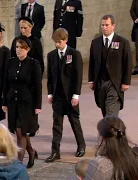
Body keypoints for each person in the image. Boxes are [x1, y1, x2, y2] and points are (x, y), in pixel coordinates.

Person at [46, 28, 86, 163]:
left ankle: (81, 145)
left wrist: (76, 95)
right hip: (57, 96)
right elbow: (50, 77)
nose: (57, 45)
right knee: (57, 124)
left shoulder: (74, 54)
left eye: (59, 42)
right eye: (55, 42)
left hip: (70, 96)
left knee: (74, 121)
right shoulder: (51, 55)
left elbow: (78, 77)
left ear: (66, 40)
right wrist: (50, 93)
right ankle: (55, 151)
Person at [3, 35, 42, 168]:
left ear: (28, 49)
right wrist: (4, 102)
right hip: (13, 101)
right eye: (17, 47)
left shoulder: (33, 64)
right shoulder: (10, 62)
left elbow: (38, 86)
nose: (18, 50)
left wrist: (38, 105)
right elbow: (5, 84)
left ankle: (18, 162)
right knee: (18, 131)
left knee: (21, 130)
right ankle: (31, 151)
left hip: (27, 103)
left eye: (21, 48)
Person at [88, 15, 132, 117]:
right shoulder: (95, 42)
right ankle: (110, 131)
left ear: (113, 26)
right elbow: (92, 62)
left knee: (111, 112)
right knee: (105, 111)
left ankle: (111, 131)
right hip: (100, 82)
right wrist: (91, 80)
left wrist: (126, 82)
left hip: (115, 83)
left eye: (107, 25)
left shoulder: (122, 42)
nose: (104, 27)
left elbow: (127, 63)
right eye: (102, 25)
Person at [130, 0, 138, 75]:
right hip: (137, 27)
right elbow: (132, 10)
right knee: (137, 47)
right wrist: (135, 19)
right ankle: (137, 67)